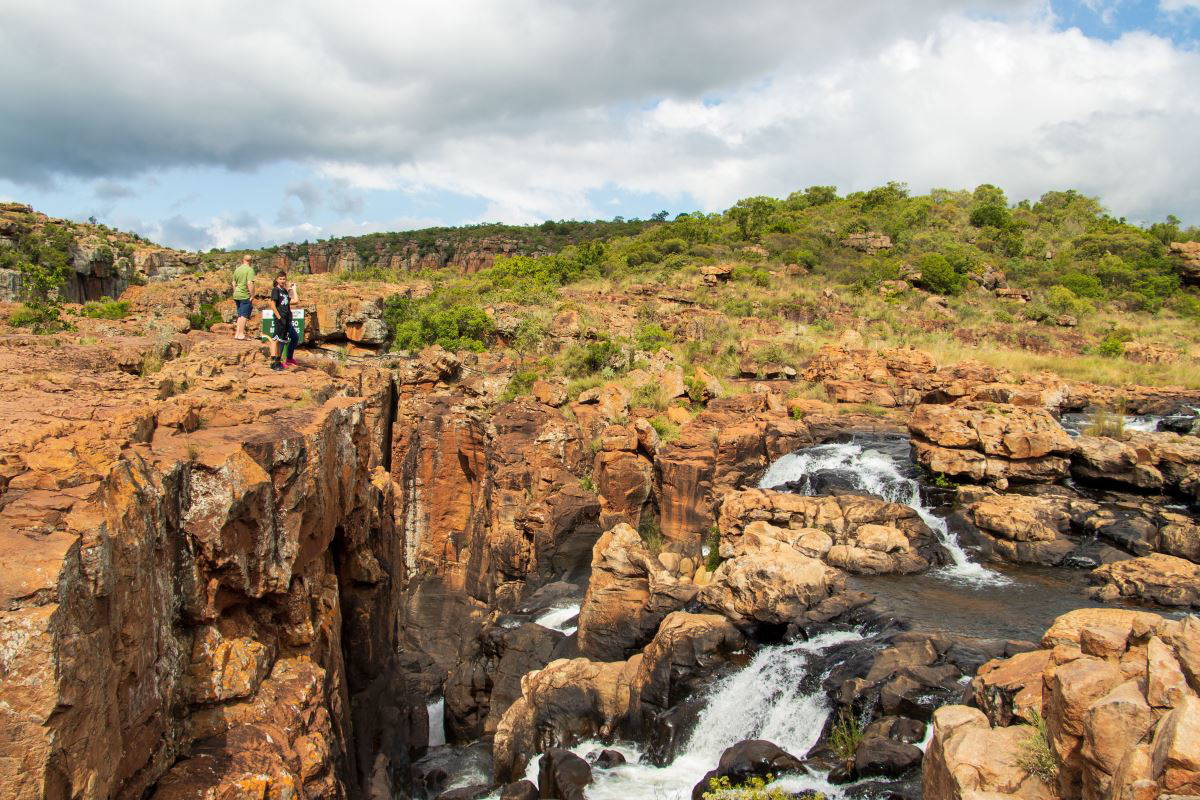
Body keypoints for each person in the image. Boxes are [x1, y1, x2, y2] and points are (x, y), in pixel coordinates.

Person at [268, 271, 300, 370]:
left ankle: (279, 361)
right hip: (280, 319)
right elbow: (272, 304)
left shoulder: (284, 291)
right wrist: (278, 317)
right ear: (277, 279)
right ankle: (275, 362)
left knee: (282, 339)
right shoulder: (275, 290)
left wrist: (293, 290)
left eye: (284, 279)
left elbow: (295, 301)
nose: (282, 281)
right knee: (276, 339)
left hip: (286, 319)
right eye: (280, 279)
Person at [231, 255, 255, 340]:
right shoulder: (250, 270)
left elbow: (233, 283)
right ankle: (241, 334)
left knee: (240, 315)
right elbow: (249, 283)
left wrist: (235, 292)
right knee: (244, 315)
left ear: (243, 260)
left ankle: (237, 334)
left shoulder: (237, 269)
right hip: (244, 295)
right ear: (251, 261)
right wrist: (252, 295)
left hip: (236, 294)